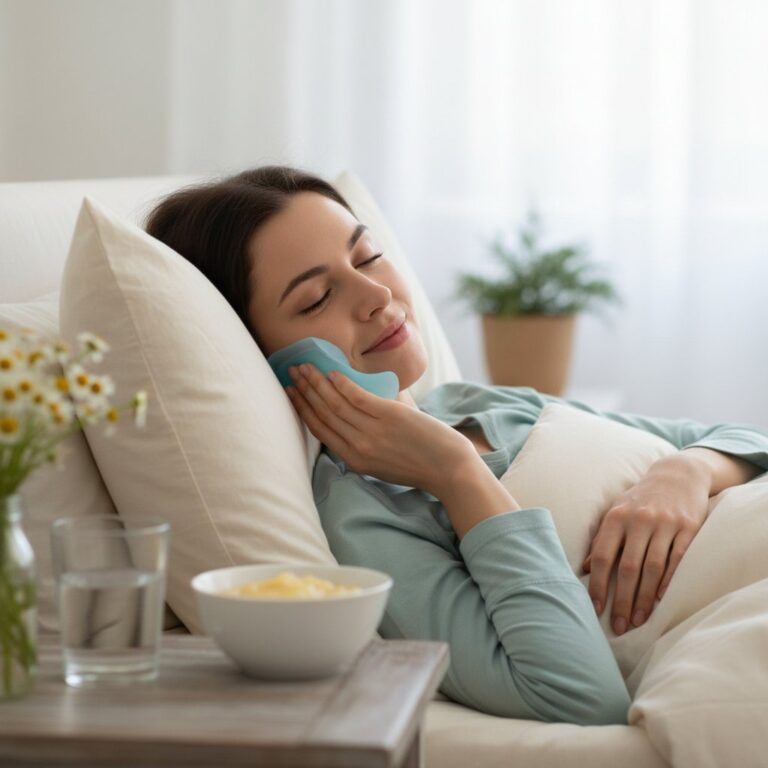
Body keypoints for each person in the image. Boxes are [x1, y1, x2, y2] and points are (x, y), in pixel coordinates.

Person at [145, 165, 768, 725]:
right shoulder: (367, 516)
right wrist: (457, 474)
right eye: (317, 298)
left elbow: (744, 441)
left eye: (367, 258)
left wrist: (683, 471)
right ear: (261, 359)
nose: (377, 296)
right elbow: (577, 695)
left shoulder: (478, 403)